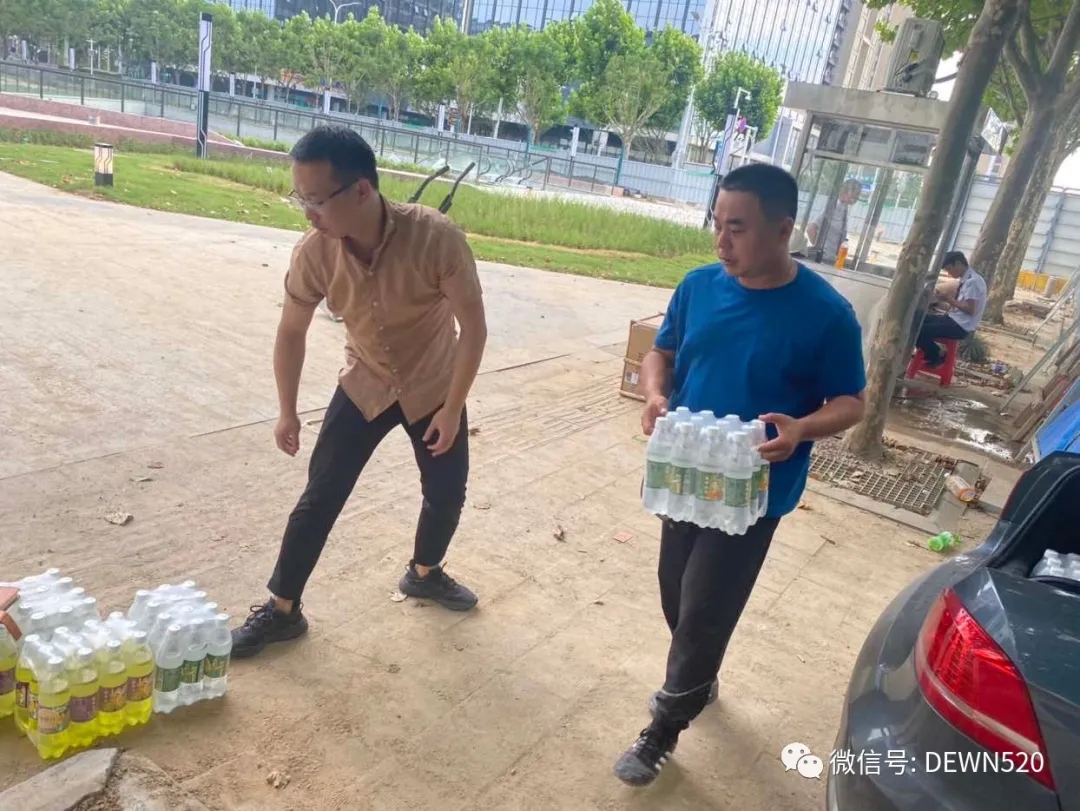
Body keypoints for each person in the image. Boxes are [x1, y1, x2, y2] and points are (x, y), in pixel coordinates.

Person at [613, 163, 867, 787]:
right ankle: (699, 673)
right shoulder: (698, 287)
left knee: (704, 607)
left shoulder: (826, 314)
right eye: (717, 224)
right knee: (676, 593)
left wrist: (801, 428)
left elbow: (851, 402)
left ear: (783, 230)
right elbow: (662, 351)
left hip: (753, 491)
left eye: (738, 228)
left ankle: (664, 726)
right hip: (687, 474)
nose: (721, 242)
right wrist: (654, 393)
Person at [231, 125, 488, 659]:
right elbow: (291, 331)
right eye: (300, 198)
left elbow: (474, 329)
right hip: (365, 382)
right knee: (320, 495)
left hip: (433, 385)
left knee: (446, 492)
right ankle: (282, 610)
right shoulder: (314, 254)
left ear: (362, 191)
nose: (308, 213)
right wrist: (286, 411)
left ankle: (424, 573)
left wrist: (453, 407)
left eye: (317, 200)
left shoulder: (436, 239)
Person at [915, 251, 987, 368]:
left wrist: (948, 299)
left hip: (960, 326)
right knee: (917, 318)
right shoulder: (966, 280)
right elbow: (960, 304)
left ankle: (936, 355)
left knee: (919, 329)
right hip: (953, 319)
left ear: (958, 263)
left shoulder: (973, 282)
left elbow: (970, 309)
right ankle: (929, 352)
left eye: (949, 269)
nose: (949, 273)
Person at [806, 178, 861, 264]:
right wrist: (819, 248)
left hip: (833, 259)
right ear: (846, 191)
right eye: (856, 193)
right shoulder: (832, 207)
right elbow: (811, 229)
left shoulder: (844, 210)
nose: (857, 197)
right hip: (823, 259)